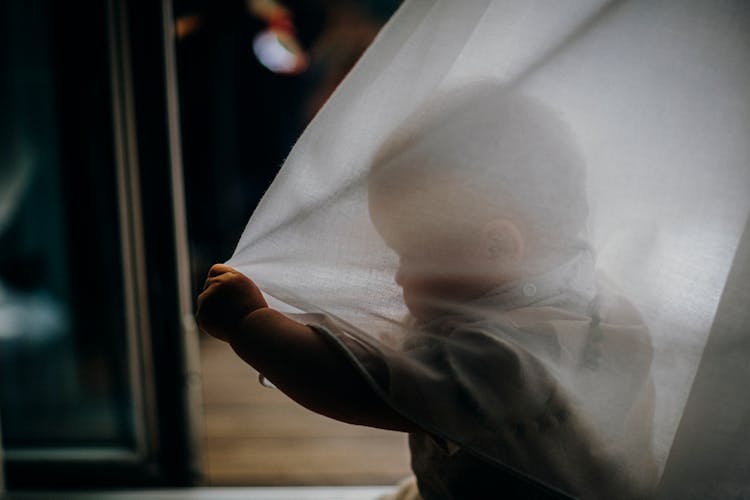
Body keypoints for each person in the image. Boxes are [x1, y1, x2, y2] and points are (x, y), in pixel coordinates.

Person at [196, 81, 657, 499]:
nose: (397, 277)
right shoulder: (581, 288)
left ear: (497, 246)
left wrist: (250, 326)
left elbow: (366, 388)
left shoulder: (511, 358)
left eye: (412, 256)